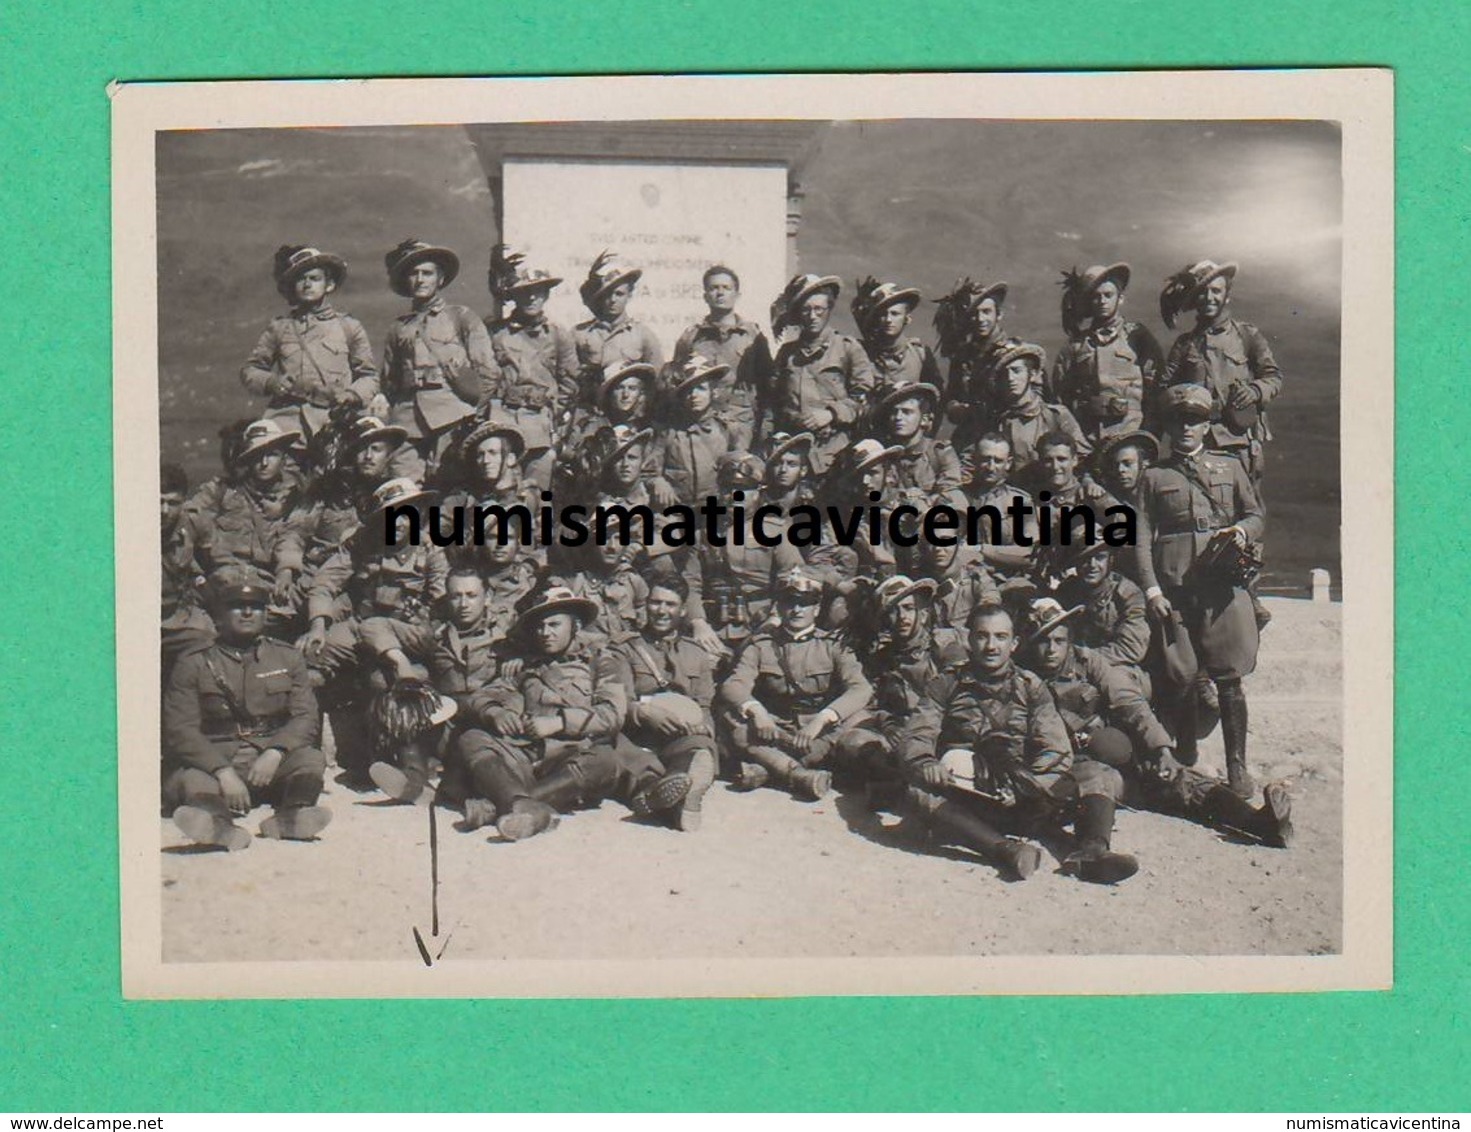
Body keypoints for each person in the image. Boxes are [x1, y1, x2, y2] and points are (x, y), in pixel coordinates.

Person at [1020, 599, 1291, 848]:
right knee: (1103, 779)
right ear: (1031, 643)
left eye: (1059, 640)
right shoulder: (1023, 678)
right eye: (1044, 641)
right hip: (1075, 767)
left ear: (1069, 640)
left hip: (1119, 752)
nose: (1051, 650)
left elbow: (1129, 703)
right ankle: (1094, 850)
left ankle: (1261, 822)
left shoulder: (1087, 661)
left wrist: (1162, 750)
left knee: (1179, 778)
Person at [903, 602, 1138, 884]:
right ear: (969, 639)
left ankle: (1093, 852)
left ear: (1013, 643)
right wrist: (926, 762)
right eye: (982, 636)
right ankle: (1004, 850)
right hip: (972, 795)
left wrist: (1025, 788)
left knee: (1097, 773)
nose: (991, 646)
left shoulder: (1031, 686)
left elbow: (1056, 750)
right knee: (917, 792)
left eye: (1000, 637)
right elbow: (917, 735)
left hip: (1026, 795)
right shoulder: (946, 684)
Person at [450, 586, 692, 840]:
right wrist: (495, 713)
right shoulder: (526, 664)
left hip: (577, 756)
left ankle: (503, 807)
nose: (546, 633)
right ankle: (522, 805)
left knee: (605, 759)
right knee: (471, 737)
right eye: (540, 627)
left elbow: (612, 715)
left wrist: (558, 722)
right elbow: (481, 696)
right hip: (530, 757)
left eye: (554, 625)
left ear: (574, 625)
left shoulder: (600, 661)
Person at [1133, 384, 1266, 798]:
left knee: (1229, 678)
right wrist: (1152, 590)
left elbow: (1256, 513)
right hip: (1175, 587)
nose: (1186, 428)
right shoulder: (1154, 477)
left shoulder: (1229, 467)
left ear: (1207, 425)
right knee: (1183, 674)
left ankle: (1236, 766)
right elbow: (1139, 538)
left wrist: (1242, 532)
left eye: (1194, 420)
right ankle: (1187, 748)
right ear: (1169, 427)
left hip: (1221, 585)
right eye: (1178, 421)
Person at [163, 577, 331, 850]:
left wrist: (275, 751)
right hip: (216, 756)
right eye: (236, 606)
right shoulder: (193, 661)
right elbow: (180, 729)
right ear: (219, 615)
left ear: (266, 614)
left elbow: (305, 717)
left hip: (268, 761)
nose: (247, 612)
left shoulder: (287, 657)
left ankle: (292, 816)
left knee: (311, 759)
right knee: (192, 777)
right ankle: (218, 826)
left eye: (255, 606)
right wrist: (223, 771)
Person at [303, 478, 451, 782]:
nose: (397, 521)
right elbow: (324, 582)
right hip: (363, 630)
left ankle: (408, 762)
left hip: (409, 632)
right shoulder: (362, 542)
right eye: (389, 513)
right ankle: (308, 751)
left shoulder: (432, 548)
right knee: (313, 656)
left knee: (383, 675)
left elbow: (442, 603)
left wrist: (426, 630)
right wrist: (318, 625)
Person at [718, 569, 873, 801]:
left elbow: (861, 688)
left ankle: (770, 769)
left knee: (859, 719)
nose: (797, 610)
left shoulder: (832, 645)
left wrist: (823, 718)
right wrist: (757, 711)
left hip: (819, 733)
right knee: (730, 715)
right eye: (790, 602)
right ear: (779, 608)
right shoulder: (762, 645)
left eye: (805, 603)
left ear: (817, 609)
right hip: (775, 729)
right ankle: (798, 774)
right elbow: (734, 684)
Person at [364, 565, 507, 804]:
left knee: (477, 756)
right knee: (409, 699)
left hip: (487, 722)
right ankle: (412, 778)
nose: (463, 604)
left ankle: (454, 789)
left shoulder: (507, 635)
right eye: (456, 596)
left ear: (488, 598)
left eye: (471, 596)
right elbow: (372, 625)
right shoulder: (436, 634)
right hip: (448, 722)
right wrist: (402, 663)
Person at [835, 575, 968, 799]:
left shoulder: (945, 649)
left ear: (923, 613)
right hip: (901, 737)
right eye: (893, 612)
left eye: (908, 609)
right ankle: (907, 785)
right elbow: (873, 704)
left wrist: (920, 735)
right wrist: (887, 723)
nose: (902, 618)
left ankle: (904, 788)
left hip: (940, 736)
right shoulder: (883, 658)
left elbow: (963, 702)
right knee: (852, 741)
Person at [611, 574, 721, 831]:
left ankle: (676, 789)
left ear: (683, 610)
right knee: (620, 752)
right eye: (655, 602)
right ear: (646, 605)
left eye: (670, 605)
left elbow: (704, 705)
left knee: (702, 748)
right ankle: (676, 799)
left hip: (678, 737)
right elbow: (617, 702)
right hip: (637, 736)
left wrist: (704, 726)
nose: (661, 611)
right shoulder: (624, 649)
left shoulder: (696, 653)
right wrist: (646, 713)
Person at [380, 238, 499, 473]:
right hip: (407, 421)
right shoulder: (398, 328)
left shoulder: (461, 317)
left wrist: (472, 412)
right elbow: (389, 380)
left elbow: (488, 372)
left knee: (449, 489)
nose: (420, 279)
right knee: (403, 485)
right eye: (414, 273)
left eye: (427, 273)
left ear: (440, 279)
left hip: (452, 417)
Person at [1160, 260, 1284, 484]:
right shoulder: (1184, 344)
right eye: (1202, 292)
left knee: (1245, 508)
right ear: (1194, 299)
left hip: (1239, 443)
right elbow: (1165, 389)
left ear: (1227, 295)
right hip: (1198, 444)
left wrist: (1255, 391)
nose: (1209, 298)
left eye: (1216, 291)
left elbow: (1273, 377)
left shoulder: (1246, 335)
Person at [240, 245, 380, 441]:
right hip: (287, 424)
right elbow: (251, 370)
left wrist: (352, 395)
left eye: (314, 279)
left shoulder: (349, 327)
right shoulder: (280, 328)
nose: (307, 284)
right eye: (300, 279)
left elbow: (369, 377)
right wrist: (272, 382)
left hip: (334, 424)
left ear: (328, 285)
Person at [183, 419, 306, 628]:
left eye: (273, 455)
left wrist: (286, 569)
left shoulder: (296, 497)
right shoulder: (222, 491)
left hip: (270, 582)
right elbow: (186, 521)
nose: (264, 463)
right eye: (257, 456)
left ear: (284, 459)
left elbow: (293, 535)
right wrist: (200, 571)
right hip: (224, 581)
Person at [483, 245, 578, 491]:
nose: (532, 298)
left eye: (538, 291)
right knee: (501, 491)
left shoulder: (558, 335)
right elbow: (485, 377)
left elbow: (569, 383)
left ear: (546, 294)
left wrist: (549, 411)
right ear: (514, 295)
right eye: (525, 292)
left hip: (540, 425)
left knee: (537, 493)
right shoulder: (496, 333)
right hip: (502, 422)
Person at [762, 273, 875, 475]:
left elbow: (865, 399)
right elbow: (772, 402)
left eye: (819, 309)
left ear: (829, 309)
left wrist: (831, 414)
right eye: (806, 310)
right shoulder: (787, 354)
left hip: (836, 453)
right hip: (793, 455)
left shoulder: (847, 348)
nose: (812, 316)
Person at [1049, 263, 1164, 443]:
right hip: (1088, 437)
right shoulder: (1077, 345)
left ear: (1120, 298)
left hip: (1130, 433)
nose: (1102, 301)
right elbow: (1061, 396)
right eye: (1096, 297)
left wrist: (1147, 435)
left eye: (1108, 295)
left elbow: (1156, 390)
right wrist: (1076, 438)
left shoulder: (1137, 337)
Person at [671, 264, 770, 450]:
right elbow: (679, 383)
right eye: (713, 288)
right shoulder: (692, 337)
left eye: (726, 288)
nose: (720, 293)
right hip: (703, 424)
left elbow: (767, 385)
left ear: (737, 294)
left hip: (742, 423)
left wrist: (764, 427)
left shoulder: (752, 337)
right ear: (705, 296)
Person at [979, 342, 1091, 495]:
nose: (1011, 378)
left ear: (1031, 375)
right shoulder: (998, 421)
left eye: (1016, 371)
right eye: (1004, 374)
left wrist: (1086, 480)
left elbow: (1084, 457)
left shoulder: (1056, 415)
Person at [573, 250, 664, 406]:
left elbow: (657, 382)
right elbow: (569, 379)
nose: (612, 300)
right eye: (607, 294)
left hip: (629, 413)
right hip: (589, 412)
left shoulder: (642, 335)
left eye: (619, 294)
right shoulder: (579, 334)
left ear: (629, 295)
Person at [933, 278, 1010, 452]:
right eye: (974, 313)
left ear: (999, 314)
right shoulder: (962, 356)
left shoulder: (1014, 353)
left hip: (1003, 440)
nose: (980, 319)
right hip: (969, 439)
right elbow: (952, 395)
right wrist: (954, 408)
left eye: (986, 312)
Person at [649, 355, 736, 506]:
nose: (694, 396)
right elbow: (648, 469)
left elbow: (740, 468)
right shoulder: (668, 431)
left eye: (701, 389)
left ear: (713, 392)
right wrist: (658, 481)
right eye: (688, 391)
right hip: (676, 508)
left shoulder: (726, 430)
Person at [871, 381, 966, 511]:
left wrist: (923, 502)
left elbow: (950, 491)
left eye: (906, 412)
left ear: (924, 419)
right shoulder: (881, 455)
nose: (898, 417)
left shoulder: (939, 453)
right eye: (894, 412)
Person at [850, 276, 942, 398]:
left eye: (895, 314)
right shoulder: (861, 353)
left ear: (907, 317)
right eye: (883, 314)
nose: (888, 320)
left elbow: (936, 397)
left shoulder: (920, 355)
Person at [961, 431, 1036, 578]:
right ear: (974, 459)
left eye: (998, 461)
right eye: (985, 459)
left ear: (1008, 463)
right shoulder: (958, 496)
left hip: (1007, 578)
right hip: (965, 577)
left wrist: (981, 549)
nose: (990, 467)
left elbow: (1028, 553)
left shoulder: (1020, 501)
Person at [161, 462, 212, 676]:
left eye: (172, 503)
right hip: (130, 618)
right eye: (157, 501)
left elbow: (212, 565)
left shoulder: (193, 522)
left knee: (209, 637)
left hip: (175, 618)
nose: (164, 511)